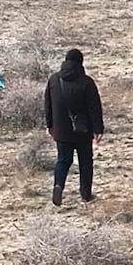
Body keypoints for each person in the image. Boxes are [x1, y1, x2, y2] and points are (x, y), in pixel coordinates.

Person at [45, 49, 105, 206]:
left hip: (60, 130)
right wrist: (98, 129)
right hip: (82, 131)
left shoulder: (54, 80)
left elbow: (48, 105)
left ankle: (58, 186)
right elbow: (94, 108)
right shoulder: (87, 82)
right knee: (85, 162)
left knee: (63, 160)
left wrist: (49, 124)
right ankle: (86, 194)